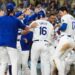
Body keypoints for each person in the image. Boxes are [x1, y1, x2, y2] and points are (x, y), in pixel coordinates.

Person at [0, 3, 28, 75]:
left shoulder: (1, 19)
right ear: (13, 10)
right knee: (14, 63)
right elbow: (26, 28)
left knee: (3, 63)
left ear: (6, 10)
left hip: (1, 44)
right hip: (11, 44)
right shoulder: (16, 20)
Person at [53, 6, 75, 75]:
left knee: (55, 57)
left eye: (60, 12)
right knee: (61, 59)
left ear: (65, 11)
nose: (60, 14)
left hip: (65, 39)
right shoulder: (73, 18)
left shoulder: (64, 17)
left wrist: (59, 26)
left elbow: (63, 28)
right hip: (71, 40)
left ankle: (62, 73)